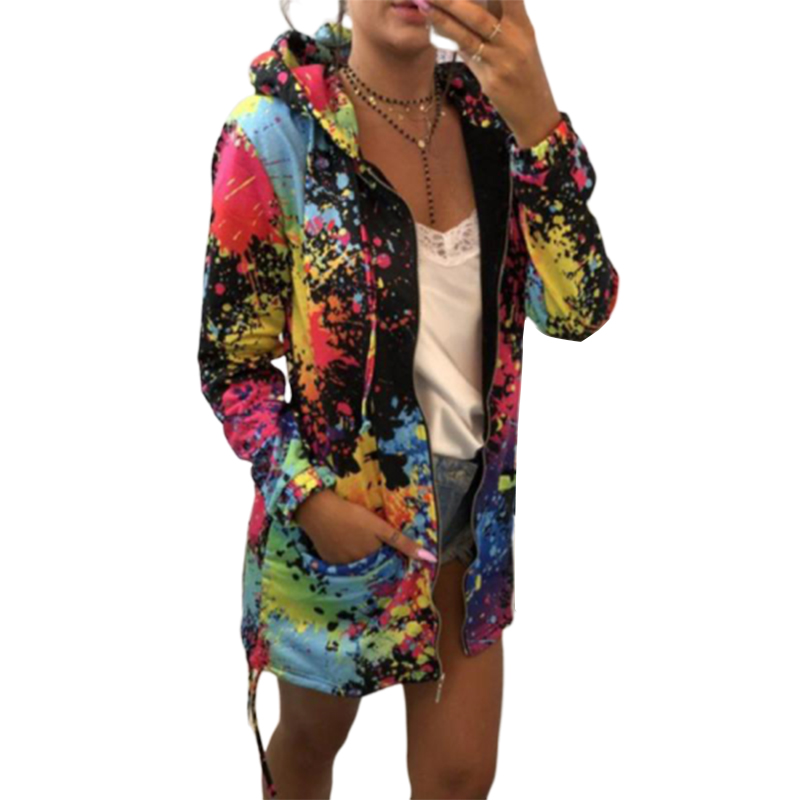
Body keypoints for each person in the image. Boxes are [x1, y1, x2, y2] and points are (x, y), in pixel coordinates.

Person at [197, 1, 620, 796]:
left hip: (467, 533)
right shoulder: (275, 135)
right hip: (336, 540)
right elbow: (232, 365)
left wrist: (539, 120)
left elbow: (579, 308)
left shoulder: (498, 126)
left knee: (459, 777)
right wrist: (310, 500)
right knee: (309, 746)